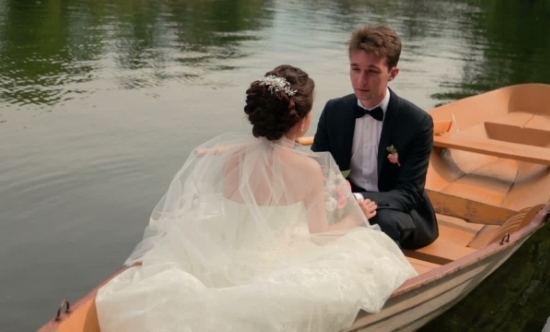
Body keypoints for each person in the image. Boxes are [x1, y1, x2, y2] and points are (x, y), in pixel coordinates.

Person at [94, 64, 418, 332]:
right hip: (279, 256)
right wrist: (353, 216)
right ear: (304, 121)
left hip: (226, 250)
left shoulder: (231, 158)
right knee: (372, 255)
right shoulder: (308, 169)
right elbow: (320, 234)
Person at [311, 25, 439, 249]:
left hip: (395, 209)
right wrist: (340, 203)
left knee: (381, 222)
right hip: (343, 201)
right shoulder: (334, 110)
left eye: (372, 71)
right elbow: (319, 168)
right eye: (355, 69)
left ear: (392, 73)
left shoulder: (417, 122)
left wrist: (358, 201)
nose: (361, 80)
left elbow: (409, 193)